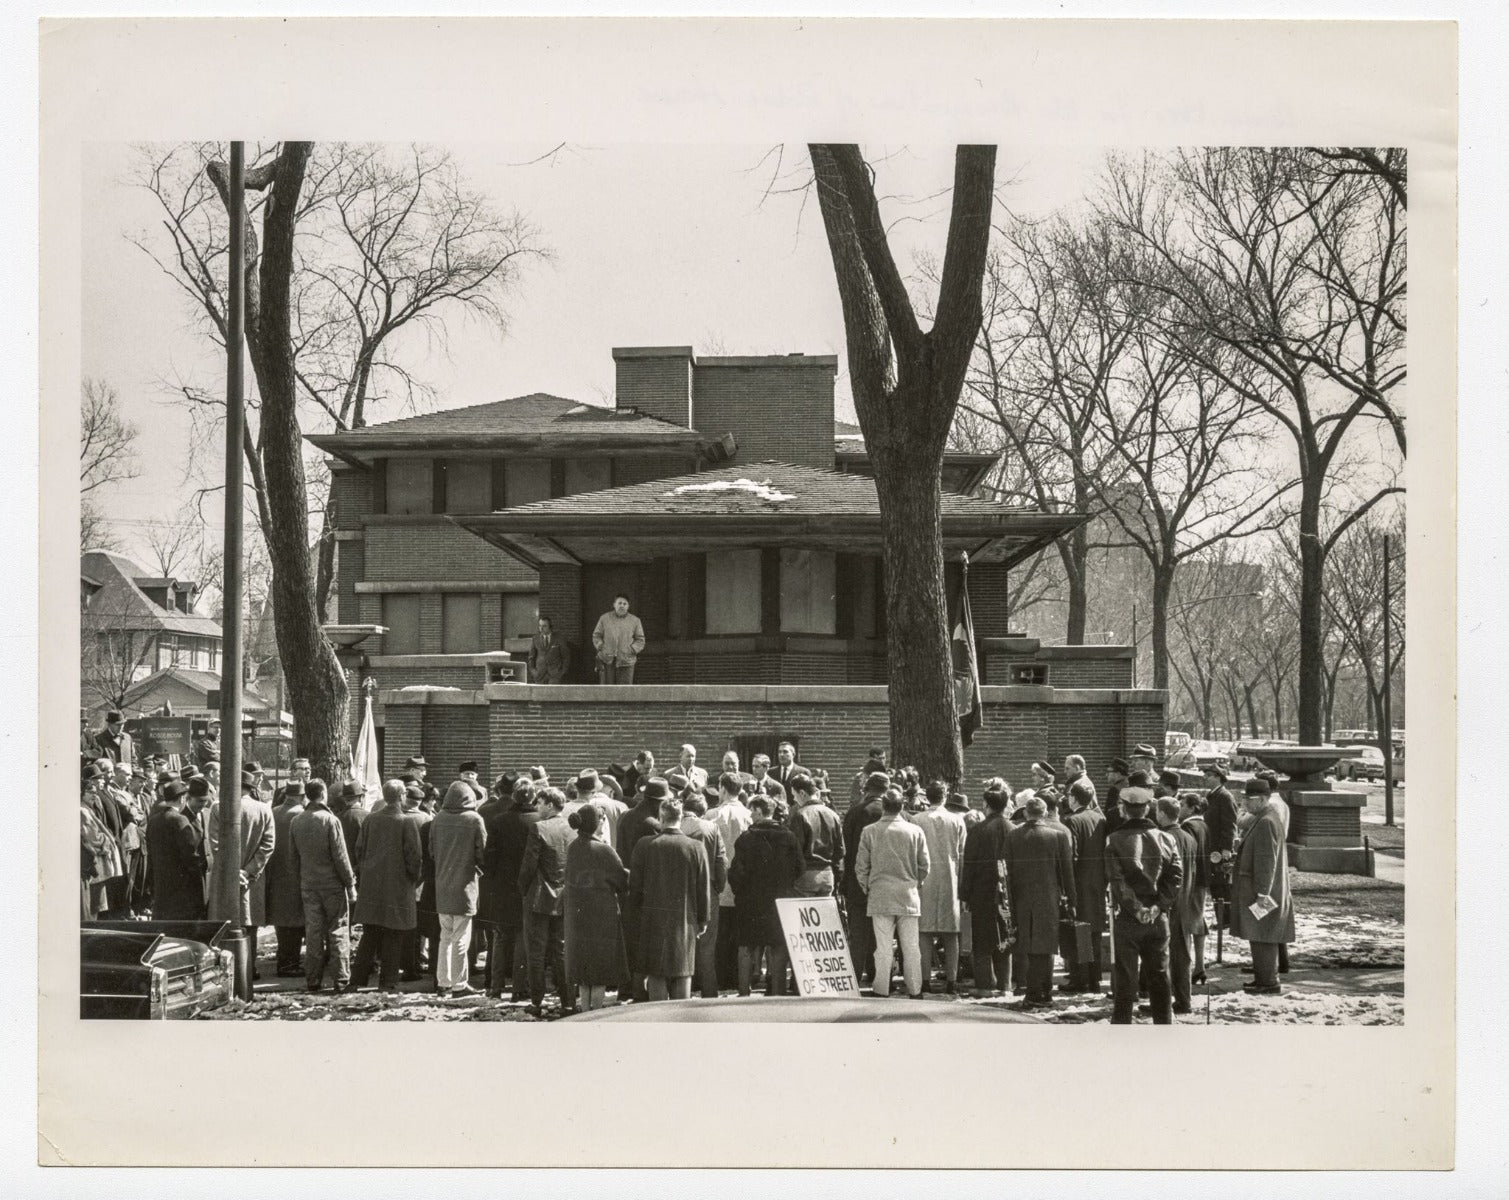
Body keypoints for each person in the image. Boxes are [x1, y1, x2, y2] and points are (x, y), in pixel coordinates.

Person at [1103, 778, 1182, 1024]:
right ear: (1147, 808)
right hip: (1158, 918)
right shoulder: (1167, 838)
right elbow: (1175, 877)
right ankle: (1163, 1026)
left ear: (1124, 810)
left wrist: (1137, 910)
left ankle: (1122, 1030)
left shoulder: (1114, 840)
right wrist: (1159, 906)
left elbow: (1117, 882)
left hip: (1128, 918)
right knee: (1160, 976)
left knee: (1126, 980)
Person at [629, 794, 709, 1001]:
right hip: (685, 918)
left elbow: (635, 887)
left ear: (661, 818)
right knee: (683, 970)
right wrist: (703, 919)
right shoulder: (696, 847)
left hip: (652, 918)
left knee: (656, 971)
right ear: (680, 818)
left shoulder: (644, 845)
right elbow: (703, 887)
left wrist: (635, 915)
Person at [854, 788, 930, 999]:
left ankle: (881, 989)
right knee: (911, 947)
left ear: (883, 807)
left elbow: (861, 867)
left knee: (883, 947)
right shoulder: (915, 831)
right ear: (902, 806)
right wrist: (917, 882)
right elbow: (925, 865)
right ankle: (915, 989)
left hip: (880, 894)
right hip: (908, 894)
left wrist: (867, 887)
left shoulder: (869, 831)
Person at [1002, 795, 1076, 1010]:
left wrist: (1006, 900)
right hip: (1049, 898)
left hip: (1021, 898)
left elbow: (1005, 871)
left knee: (1028, 945)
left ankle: (1036, 991)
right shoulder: (1058, 836)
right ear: (1044, 813)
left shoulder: (1013, 836)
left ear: (1026, 813)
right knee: (1046, 945)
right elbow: (1066, 872)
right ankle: (1043, 990)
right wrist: (1072, 899)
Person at [350, 780, 424, 992]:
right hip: (398, 885)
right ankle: (388, 981)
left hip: (372, 885)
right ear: (401, 797)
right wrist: (414, 878)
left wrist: (365, 871)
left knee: (370, 933)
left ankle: (357, 979)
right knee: (394, 933)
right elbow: (414, 856)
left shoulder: (371, 819)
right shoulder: (405, 821)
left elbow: (359, 849)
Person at [727, 795, 802, 996]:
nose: (750, 815)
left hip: (750, 901)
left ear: (759, 811)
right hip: (780, 901)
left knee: (746, 946)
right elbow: (799, 868)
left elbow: (736, 873)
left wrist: (740, 892)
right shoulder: (789, 837)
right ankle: (778, 991)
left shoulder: (745, 838)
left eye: (752, 811)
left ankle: (744, 992)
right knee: (778, 946)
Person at [206, 770, 276, 981]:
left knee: (224, 922)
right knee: (249, 924)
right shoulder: (264, 809)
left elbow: (216, 844)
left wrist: (232, 870)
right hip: (251, 878)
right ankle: (249, 967)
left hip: (225, 878)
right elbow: (268, 845)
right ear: (251, 787)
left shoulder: (218, 807)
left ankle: (224, 969)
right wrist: (249, 870)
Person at [289, 779, 357, 993]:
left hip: (308, 884)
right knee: (337, 930)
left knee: (313, 932)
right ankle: (341, 978)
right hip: (332, 885)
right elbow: (341, 856)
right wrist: (350, 884)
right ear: (323, 794)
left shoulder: (297, 821)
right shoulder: (330, 820)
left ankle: (313, 979)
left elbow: (293, 858)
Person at [1230, 777, 1295, 995]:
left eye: (1248, 800)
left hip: (1263, 891)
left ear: (1261, 800)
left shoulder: (1266, 821)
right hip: (1264, 889)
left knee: (1263, 935)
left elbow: (1267, 861)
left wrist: (1262, 894)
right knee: (1260, 934)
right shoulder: (1265, 817)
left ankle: (1267, 981)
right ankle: (1264, 977)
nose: (1245, 804)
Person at [563, 803, 630, 1012]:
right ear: (597, 823)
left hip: (578, 914)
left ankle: (584, 1011)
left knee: (584, 969)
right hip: (602, 915)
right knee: (600, 968)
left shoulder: (573, 847)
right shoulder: (604, 850)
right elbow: (621, 881)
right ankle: (598, 1012)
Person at [481, 779, 540, 1000]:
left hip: (502, 887)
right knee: (522, 937)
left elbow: (490, 857)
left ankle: (495, 987)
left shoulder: (498, 821)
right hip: (528, 887)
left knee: (500, 937)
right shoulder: (538, 821)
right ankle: (518, 987)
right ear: (533, 797)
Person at [429, 780, 487, 998]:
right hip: (465, 886)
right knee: (461, 937)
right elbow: (482, 852)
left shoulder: (438, 818)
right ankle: (459, 985)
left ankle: (443, 982)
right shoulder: (474, 820)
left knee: (445, 936)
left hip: (442, 885)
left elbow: (432, 851)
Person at [910, 780, 967, 994]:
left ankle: (925, 980)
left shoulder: (917, 820)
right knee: (951, 933)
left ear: (927, 797)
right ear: (945, 796)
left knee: (924, 933)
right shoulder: (957, 821)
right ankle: (951, 980)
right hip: (950, 880)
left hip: (924, 881)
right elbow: (962, 854)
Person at [520, 788, 573, 1015]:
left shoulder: (538, 828)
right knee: (561, 951)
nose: (536, 806)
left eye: (539, 803)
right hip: (564, 897)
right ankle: (568, 1001)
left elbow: (529, 865)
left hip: (539, 897)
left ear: (550, 804)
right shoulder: (572, 829)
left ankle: (537, 1002)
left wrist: (523, 889)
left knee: (536, 951)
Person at [959, 783, 1014, 997]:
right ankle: (1005, 985)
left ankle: (984, 985)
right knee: (1005, 938)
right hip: (1007, 893)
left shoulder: (977, 831)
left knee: (981, 941)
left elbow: (970, 865)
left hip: (981, 892)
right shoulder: (1013, 829)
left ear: (986, 805)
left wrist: (964, 895)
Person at [1060, 777, 1108, 994]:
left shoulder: (1072, 821)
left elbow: (1073, 856)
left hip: (1079, 883)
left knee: (1079, 931)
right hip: (1098, 883)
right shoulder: (1101, 819)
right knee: (1095, 932)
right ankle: (1094, 978)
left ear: (1074, 798)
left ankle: (1081, 979)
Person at [1154, 797, 1202, 1014]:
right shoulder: (1188, 837)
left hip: (1168, 903)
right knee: (1182, 953)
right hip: (1186, 902)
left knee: (1164, 954)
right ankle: (1183, 999)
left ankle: (1171, 1001)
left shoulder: (1163, 837)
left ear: (1162, 814)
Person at [706, 771, 754, 990]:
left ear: (723, 789)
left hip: (719, 881)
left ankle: (722, 978)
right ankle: (739, 978)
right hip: (743, 882)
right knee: (739, 934)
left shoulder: (713, 815)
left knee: (720, 935)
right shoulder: (749, 815)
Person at [678, 791, 728, 998]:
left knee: (681, 942)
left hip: (680, 892)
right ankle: (709, 992)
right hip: (707, 890)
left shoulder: (676, 826)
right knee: (707, 946)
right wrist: (718, 886)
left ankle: (683, 993)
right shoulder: (711, 828)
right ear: (703, 810)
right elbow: (721, 861)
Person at [842, 770, 890, 983]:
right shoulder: (895, 813)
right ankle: (878, 975)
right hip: (885, 881)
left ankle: (854, 976)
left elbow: (846, 848)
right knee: (881, 935)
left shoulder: (855, 812)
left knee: (859, 933)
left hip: (857, 881)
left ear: (867, 788)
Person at [144, 778, 206, 920]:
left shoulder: (154, 820)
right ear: (182, 798)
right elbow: (190, 853)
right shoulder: (180, 819)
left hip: (160, 880)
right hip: (181, 884)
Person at [264, 779, 307, 976]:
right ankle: (290, 964)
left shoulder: (274, 812)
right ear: (301, 796)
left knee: (282, 922)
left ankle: (284, 961)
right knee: (296, 922)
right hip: (296, 875)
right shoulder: (301, 815)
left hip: (276, 875)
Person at [786, 773, 844, 900]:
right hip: (827, 874)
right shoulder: (833, 815)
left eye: (794, 795)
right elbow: (840, 849)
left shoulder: (800, 815)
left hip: (806, 874)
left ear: (802, 793)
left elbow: (795, 850)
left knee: (803, 917)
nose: (794, 799)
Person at [1178, 792, 1212, 986]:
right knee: (1198, 922)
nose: (1180, 808)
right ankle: (1199, 966)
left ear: (1192, 808)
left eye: (1183, 805)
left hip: (1190, 881)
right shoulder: (1204, 825)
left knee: (1187, 924)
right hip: (1202, 880)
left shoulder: (1188, 826)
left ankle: (1190, 966)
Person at [1202, 763, 1240, 931]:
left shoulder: (1225, 797)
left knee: (1221, 884)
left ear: (1218, 777)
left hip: (1219, 849)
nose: (1205, 778)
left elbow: (1230, 825)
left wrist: (1226, 848)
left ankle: (1227, 919)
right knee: (1215, 885)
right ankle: (1223, 918)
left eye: (1209, 775)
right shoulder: (1212, 796)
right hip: (1211, 848)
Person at [592, 593, 645, 684]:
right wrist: (601, 646)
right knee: (606, 691)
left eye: (625, 604)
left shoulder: (635, 621)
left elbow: (640, 640)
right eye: (619, 603)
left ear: (628, 606)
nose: (622, 606)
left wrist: (631, 649)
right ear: (614, 605)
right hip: (607, 659)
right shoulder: (604, 618)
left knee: (624, 692)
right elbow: (596, 635)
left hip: (626, 661)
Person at [330, 780, 368, 865]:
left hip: (341, 868)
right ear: (361, 797)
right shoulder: (368, 817)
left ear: (345, 799)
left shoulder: (335, 818)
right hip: (362, 868)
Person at [528, 615, 572, 685]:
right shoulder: (535, 639)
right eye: (540, 626)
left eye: (544, 626)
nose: (541, 628)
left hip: (555, 676)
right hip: (539, 676)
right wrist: (534, 672)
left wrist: (560, 673)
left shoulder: (559, 638)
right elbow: (531, 658)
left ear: (550, 627)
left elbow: (566, 657)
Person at [849, 748, 887, 813]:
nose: (882, 761)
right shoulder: (861, 777)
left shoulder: (887, 776)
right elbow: (855, 800)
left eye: (884, 758)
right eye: (880, 758)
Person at [1104, 757, 1130, 834]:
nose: (1106, 775)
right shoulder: (1113, 790)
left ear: (1118, 774)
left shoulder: (1129, 790)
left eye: (1109, 772)